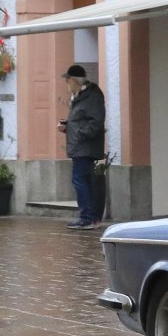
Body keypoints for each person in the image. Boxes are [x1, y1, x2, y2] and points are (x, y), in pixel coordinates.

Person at [59, 65, 106, 230]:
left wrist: (80, 134)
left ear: (74, 80)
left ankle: (87, 218)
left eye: (67, 80)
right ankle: (91, 218)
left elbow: (96, 122)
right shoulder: (79, 96)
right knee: (84, 181)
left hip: (85, 147)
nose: (66, 83)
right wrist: (67, 126)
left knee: (80, 181)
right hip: (80, 146)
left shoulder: (92, 96)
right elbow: (81, 120)